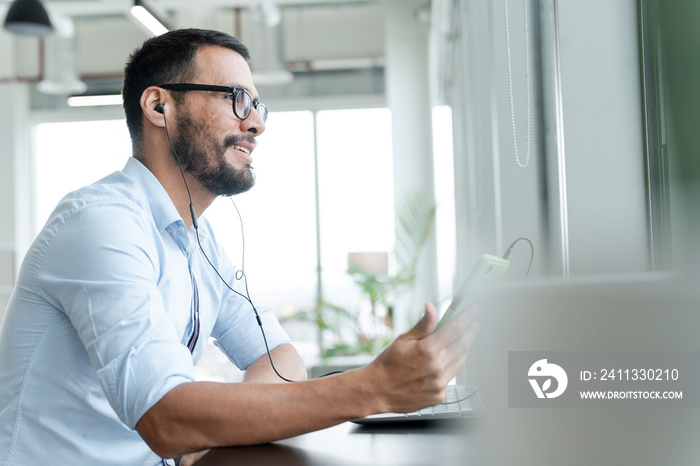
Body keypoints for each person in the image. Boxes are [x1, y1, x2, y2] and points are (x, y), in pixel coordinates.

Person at [0, 28, 477, 465]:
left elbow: (281, 356)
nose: (256, 124)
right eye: (236, 98)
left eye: (256, 106)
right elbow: (167, 419)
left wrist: (206, 425)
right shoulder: (101, 224)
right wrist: (373, 389)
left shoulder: (198, 242)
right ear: (158, 105)